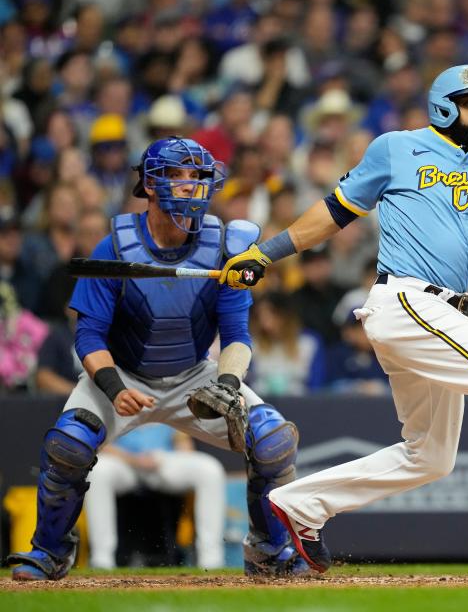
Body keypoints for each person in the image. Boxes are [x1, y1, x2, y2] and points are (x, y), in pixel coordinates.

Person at [220, 65, 468, 573]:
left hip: (438, 314)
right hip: (408, 300)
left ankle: (300, 504)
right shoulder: (397, 147)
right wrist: (266, 252)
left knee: (430, 457)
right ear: (442, 105)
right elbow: (335, 211)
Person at [7, 137, 308, 581]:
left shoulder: (226, 246)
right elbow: (88, 335)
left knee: (272, 441)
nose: (189, 186)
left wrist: (226, 384)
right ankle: (49, 551)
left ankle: (267, 548)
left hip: (195, 374)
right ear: (149, 184)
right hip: (121, 373)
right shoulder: (116, 245)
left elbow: (237, 335)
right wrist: (113, 388)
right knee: (68, 445)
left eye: (197, 177)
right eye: (177, 175)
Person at [85, 424, 226, 570]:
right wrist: (133, 459)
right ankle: (101, 560)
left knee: (210, 470)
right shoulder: (110, 402)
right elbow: (98, 445)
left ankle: (211, 561)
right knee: (97, 471)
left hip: (161, 460)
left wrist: (168, 459)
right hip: (122, 461)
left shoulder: (171, 402)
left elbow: (184, 446)